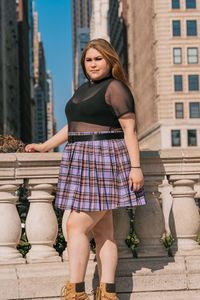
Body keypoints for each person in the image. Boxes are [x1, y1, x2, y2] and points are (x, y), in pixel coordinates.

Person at [25, 38, 146, 300]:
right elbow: (74, 126)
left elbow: (129, 130)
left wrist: (135, 167)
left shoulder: (115, 88)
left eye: (98, 59)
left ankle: (76, 292)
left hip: (104, 159)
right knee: (104, 232)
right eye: (88, 60)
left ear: (109, 60)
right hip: (80, 160)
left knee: (74, 226)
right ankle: (107, 292)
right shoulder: (82, 90)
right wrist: (46, 146)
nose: (93, 64)